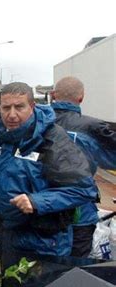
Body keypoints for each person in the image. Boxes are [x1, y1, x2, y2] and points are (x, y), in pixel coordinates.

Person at [0, 82, 99, 263]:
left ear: (32, 107)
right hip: (7, 238)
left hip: (44, 245)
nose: (12, 115)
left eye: (19, 107)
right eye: (6, 108)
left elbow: (84, 190)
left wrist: (37, 201)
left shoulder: (52, 140)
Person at [50, 76, 116, 257]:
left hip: (40, 210)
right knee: (75, 269)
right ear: (81, 97)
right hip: (79, 213)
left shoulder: (35, 123)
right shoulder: (92, 128)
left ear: (53, 95)